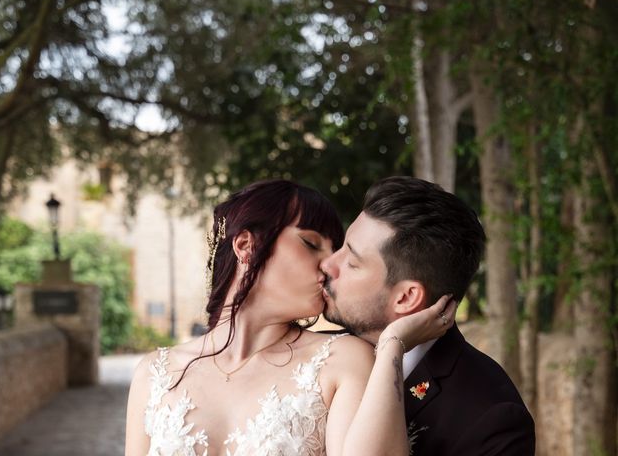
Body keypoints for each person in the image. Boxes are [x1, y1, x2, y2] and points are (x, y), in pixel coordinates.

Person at [125, 179, 456, 456]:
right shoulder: (154, 374)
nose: (328, 265)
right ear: (246, 246)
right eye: (312, 244)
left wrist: (392, 346)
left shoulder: (343, 361)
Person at [321, 176, 536, 455]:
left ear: (407, 297)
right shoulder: (317, 352)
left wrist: (392, 345)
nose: (327, 265)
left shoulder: (491, 418)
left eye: (352, 262)